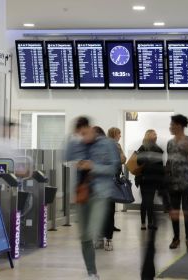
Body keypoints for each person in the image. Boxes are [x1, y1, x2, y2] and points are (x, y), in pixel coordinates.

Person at [66, 117, 120, 279]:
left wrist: (93, 166)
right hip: (82, 194)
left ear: (90, 128)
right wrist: (72, 137)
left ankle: (93, 269)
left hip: (100, 194)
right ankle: (92, 273)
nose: (82, 137)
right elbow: (66, 155)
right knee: (84, 237)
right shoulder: (79, 144)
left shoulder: (108, 144)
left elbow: (114, 168)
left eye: (84, 133)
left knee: (90, 232)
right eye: (79, 135)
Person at [166, 114, 188, 252]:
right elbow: (169, 160)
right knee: (174, 211)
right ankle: (176, 238)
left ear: (179, 125)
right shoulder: (170, 143)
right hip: (173, 182)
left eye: (172, 124)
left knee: (186, 210)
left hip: (186, 181)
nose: (170, 127)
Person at [135, 129, 164, 230]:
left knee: (150, 201)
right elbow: (138, 162)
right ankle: (144, 222)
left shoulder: (158, 149)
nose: (156, 135)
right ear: (149, 135)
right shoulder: (142, 148)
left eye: (156, 134)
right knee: (145, 201)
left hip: (152, 178)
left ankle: (150, 222)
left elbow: (160, 165)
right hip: (144, 178)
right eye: (154, 134)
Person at [107, 127, 126, 233]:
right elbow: (123, 159)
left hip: (109, 177)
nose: (120, 136)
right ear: (114, 134)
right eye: (119, 134)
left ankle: (110, 225)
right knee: (110, 204)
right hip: (113, 177)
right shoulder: (116, 145)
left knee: (110, 203)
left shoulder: (105, 145)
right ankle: (110, 226)